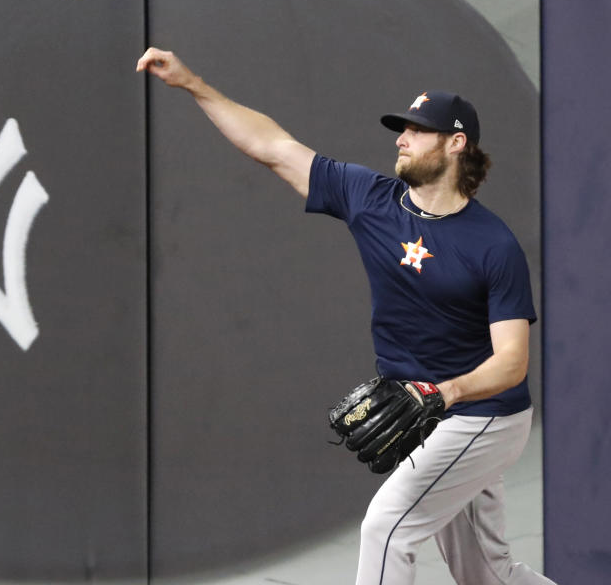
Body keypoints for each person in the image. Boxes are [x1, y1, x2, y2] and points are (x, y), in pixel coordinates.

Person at [136, 47, 557, 585]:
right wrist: (194, 84)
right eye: (401, 128)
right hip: (430, 413)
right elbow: (272, 146)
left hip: (484, 417)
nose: (401, 138)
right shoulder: (372, 198)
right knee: (485, 574)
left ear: (456, 144)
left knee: (387, 527)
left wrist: (440, 394)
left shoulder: (493, 245)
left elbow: (512, 365)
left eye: (418, 130)